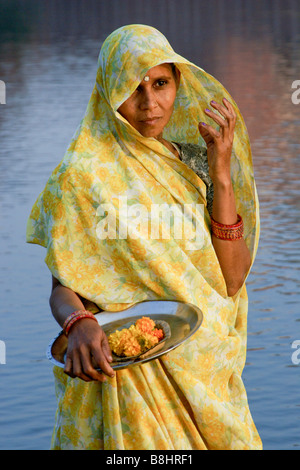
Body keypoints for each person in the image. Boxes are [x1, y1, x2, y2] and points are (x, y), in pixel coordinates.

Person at [26, 24, 262, 450]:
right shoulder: (82, 176)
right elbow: (63, 290)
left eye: (161, 83)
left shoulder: (194, 164)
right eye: (132, 88)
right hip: (122, 371)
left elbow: (231, 280)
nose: (149, 103)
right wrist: (78, 324)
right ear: (109, 92)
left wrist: (222, 174)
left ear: (178, 83)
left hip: (202, 368)